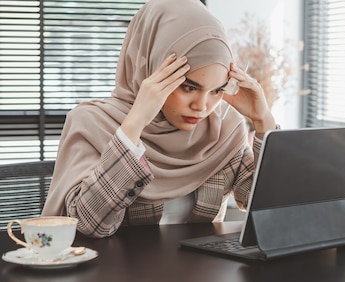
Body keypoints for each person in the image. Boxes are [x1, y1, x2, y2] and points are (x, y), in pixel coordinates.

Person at [41, 0, 276, 238]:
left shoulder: (223, 128)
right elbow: (88, 225)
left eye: (216, 90)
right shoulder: (93, 123)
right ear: (149, 69)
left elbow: (267, 207)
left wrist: (263, 120)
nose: (201, 106)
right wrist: (135, 124)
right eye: (188, 87)